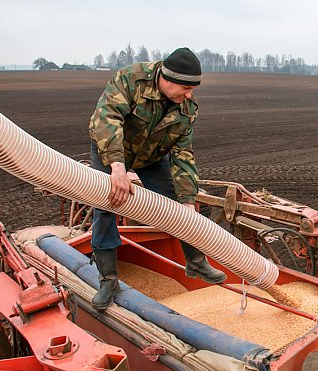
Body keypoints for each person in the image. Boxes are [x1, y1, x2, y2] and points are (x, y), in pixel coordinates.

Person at [86, 47, 226, 310]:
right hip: (111, 149)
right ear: (167, 80)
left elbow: (183, 153)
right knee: (106, 206)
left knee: (178, 205)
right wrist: (117, 167)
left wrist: (187, 200)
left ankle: (195, 262)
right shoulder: (131, 79)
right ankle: (109, 279)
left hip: (151, 157)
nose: (189, 95)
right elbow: (108, 119)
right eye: (185, 88)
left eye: (192, 89)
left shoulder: (187, 108)